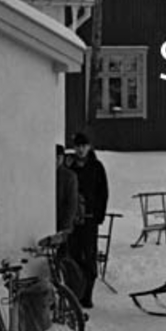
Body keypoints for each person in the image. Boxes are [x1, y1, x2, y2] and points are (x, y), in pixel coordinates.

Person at [68, 132, 108, 309]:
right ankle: (75, 292)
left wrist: (98, 215)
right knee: (73, 256)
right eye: (78, 146)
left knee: (89, 256)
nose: (81, 149)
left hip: (90, 219)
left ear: (89, 147)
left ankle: (87, 294)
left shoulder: (96, 167)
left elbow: (103, 192)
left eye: (84, 146)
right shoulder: (70, 167)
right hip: (73, 220)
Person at [55, 144, 79, 234]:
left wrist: (66, 225)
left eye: (59, 157)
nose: (56, 160)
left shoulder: (69, 176)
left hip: (62, 222)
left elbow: (72, 203)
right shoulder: (44, 172)